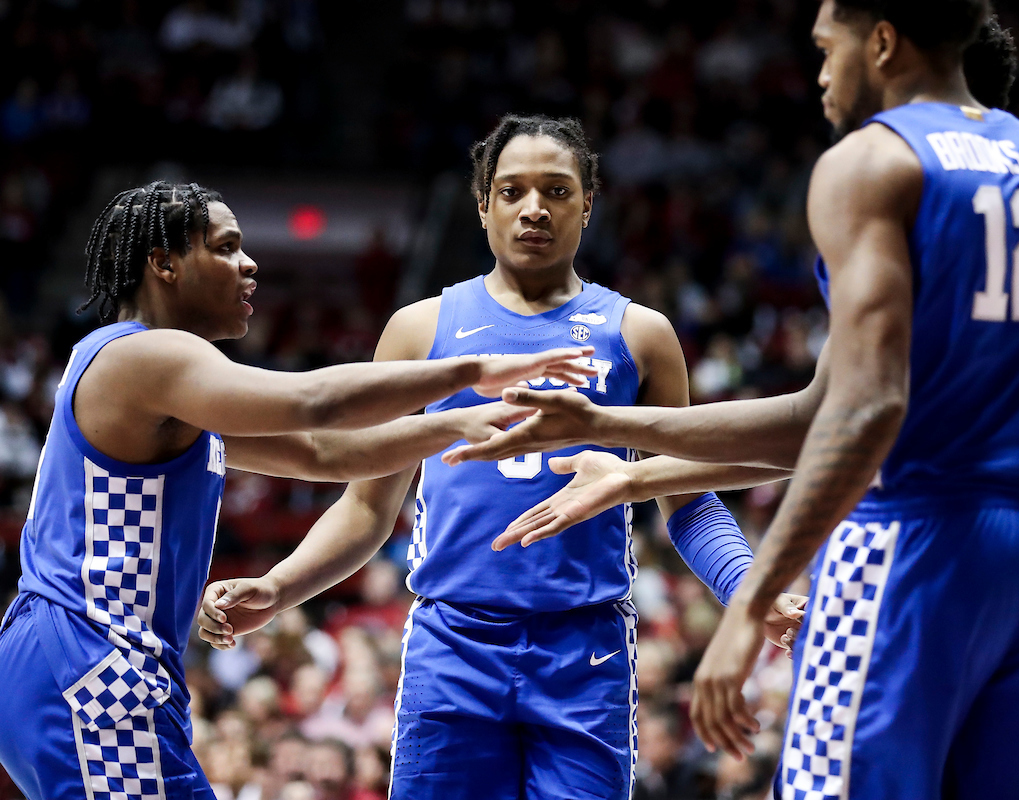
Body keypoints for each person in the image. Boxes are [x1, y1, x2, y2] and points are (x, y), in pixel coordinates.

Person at [445, 2, 1019, 797]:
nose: (819, 73)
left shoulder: (869, 164)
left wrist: (748, 605)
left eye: (826, 48)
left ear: (881, 41)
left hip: (914, 539)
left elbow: (853, 414)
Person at [196, 117, 804, 800]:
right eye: (512, 191)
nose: (534, 208)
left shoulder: (641, 334)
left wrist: (747, 586)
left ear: (588, 204)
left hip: (586, 647)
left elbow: (688, 496)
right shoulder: (420, 328)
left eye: (556, 190)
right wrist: (279, 588)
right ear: (482, 205)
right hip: (452, 642)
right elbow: (368, 506)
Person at [0, 180, 598, 800]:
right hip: (90, 654)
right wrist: (474, 368)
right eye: (226, 247)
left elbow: (321, 454)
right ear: (164, 264)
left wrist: (454, 422)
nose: (249, 263)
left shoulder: (161, 386)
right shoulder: (147, 355)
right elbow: (313, 403)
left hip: (76, 657)